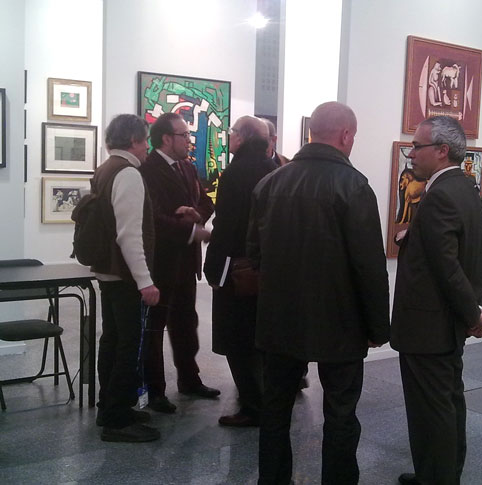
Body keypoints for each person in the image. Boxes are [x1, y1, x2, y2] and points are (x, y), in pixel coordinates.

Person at [248, 101, 390, 484]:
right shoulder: (354, 186)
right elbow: (369, 267)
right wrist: (378, 327)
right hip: (340, 322)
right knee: (341, 414)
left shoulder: (270, 183)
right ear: (345, 135)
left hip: (279, 319)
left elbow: (254, 255)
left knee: (275, 412)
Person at [390, 116, 482, 485]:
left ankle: (436, 478)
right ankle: (442, 474)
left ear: (442, 150)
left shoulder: (440, 196)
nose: (411, 154)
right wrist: (476, 308)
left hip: (427, 328)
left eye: (417, 146)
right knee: (448, 402)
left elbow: (448, 267)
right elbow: (475, 259)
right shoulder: (465, 189)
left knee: (430, 411)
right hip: (445, 325)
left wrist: (474, 315)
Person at [139, 112, 218, 414]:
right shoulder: (148, 170)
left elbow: (206, 202)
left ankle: (189, 379)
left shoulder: (187, 167)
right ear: (166, 138)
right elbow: (153, 218)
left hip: (186, 261)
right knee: (155, 327)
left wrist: (197, 215)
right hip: (161, 261)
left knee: (186, 321)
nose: (189, 140)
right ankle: (155, 390)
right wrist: (189, 230)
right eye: (184, 135)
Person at [204, 115, 276, 427]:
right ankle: (267, 401)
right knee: (260, 339)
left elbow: (227, 224)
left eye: (232, 131)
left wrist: (213, 267)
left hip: (238, 269)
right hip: (266, 268)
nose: (229, 136)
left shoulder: (235, 172)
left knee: (237, 339)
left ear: (242, 137)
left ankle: (252, 406)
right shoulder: (274, 168)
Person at [93, 114, 160, 442]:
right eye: (145, 140)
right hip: (124, 275)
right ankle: (117, 420)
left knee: (113, 339)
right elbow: (130, 234)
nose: (147, 147)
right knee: (128, 345)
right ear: (133, 140)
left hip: (109, 271)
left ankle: (109, 407)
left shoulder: (106, 169)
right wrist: (145, 281)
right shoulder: (128, 173)